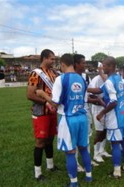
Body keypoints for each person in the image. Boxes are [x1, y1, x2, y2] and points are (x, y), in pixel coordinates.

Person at [36, 53, 92, 187]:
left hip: (68, 119)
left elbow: (55, 103)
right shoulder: (82, 79)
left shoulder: (61, 79)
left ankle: (73, 183)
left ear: (62, 64)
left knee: (70, 151)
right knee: (83, 148)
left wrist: (43, 94)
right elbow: (84, 100)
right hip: (82, 117)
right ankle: (89, 176)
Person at [87, 56, 124, 178]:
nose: (102, 68)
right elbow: (98, 90)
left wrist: (101, 113)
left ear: (111, 66)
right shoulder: (117, 78)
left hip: (115, 116)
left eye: (104, 65)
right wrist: (85, 88)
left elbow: (113, 102)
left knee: (115, 143)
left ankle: (117, 172)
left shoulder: (110, 81)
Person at [26, 49, 59, 181]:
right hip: (41, 113)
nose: (53, 61)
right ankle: (38, 173)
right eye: (52, 59)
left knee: (50, 138)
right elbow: (30, 94)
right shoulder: (35, 73)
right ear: (44, 58)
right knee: (40, 141)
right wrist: (46, 103)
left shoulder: (53, 73)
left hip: (52, 112)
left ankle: (50, 166)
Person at [88, 63, 111, 163]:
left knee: (105, 130)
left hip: (107, 107)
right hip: (98, 108)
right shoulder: (96, 79)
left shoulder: (110, 79)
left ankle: (102, 150)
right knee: (99, 131)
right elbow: (91, 95)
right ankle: (96, 153)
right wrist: (100, 101)